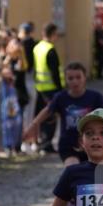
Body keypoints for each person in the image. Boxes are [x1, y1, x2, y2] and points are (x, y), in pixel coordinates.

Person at [24, 62, 103, 164]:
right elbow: (48, 110)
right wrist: (33, 125)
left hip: (92, 145)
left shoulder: (96, 98)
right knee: (72, 168)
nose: (75, 81)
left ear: (85, 78)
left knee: (90, 174)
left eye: (78, 77)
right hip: (68, 145)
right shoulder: (61, 98)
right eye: (70, 78)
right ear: (66, 80)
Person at [33, 22, 64, 151]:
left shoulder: (37, 47)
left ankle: (42, 142)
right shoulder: (50, 49)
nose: (57, 37)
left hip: (40, 88)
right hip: (51, 88)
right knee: (51, 117)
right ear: (52, 34)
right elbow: (54, 72)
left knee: (42, 116)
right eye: (56, 34)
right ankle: (47, 144)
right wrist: (60, 89)